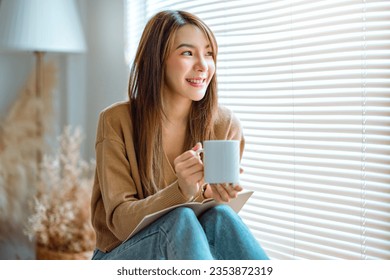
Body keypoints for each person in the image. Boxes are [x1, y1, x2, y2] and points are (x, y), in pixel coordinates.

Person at [90, 10, 269, 260]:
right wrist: (180, 191)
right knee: (180, 218)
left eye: (208, 53)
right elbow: (120, 223)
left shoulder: (224, 124)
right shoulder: (116, 121)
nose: (203, 65)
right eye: (187, 53)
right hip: (120, 254)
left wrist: (211, 196)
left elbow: (216, 231)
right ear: (157, 60)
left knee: (221, 216)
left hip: (186, 253)